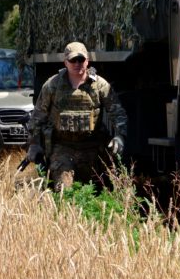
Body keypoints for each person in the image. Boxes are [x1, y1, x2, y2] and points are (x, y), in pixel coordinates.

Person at [26, 41, 127, 191]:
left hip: (92, 149)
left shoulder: (100, 85)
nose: (77, 63)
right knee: (64, 192)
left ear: (87, 61)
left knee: (95, 195)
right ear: (65, 62)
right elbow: (38, 116)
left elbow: (118, 113)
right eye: (73, 60)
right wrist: (34, 144)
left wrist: (120, 136)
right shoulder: (52, 85)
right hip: (62, 148)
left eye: (81, 60)